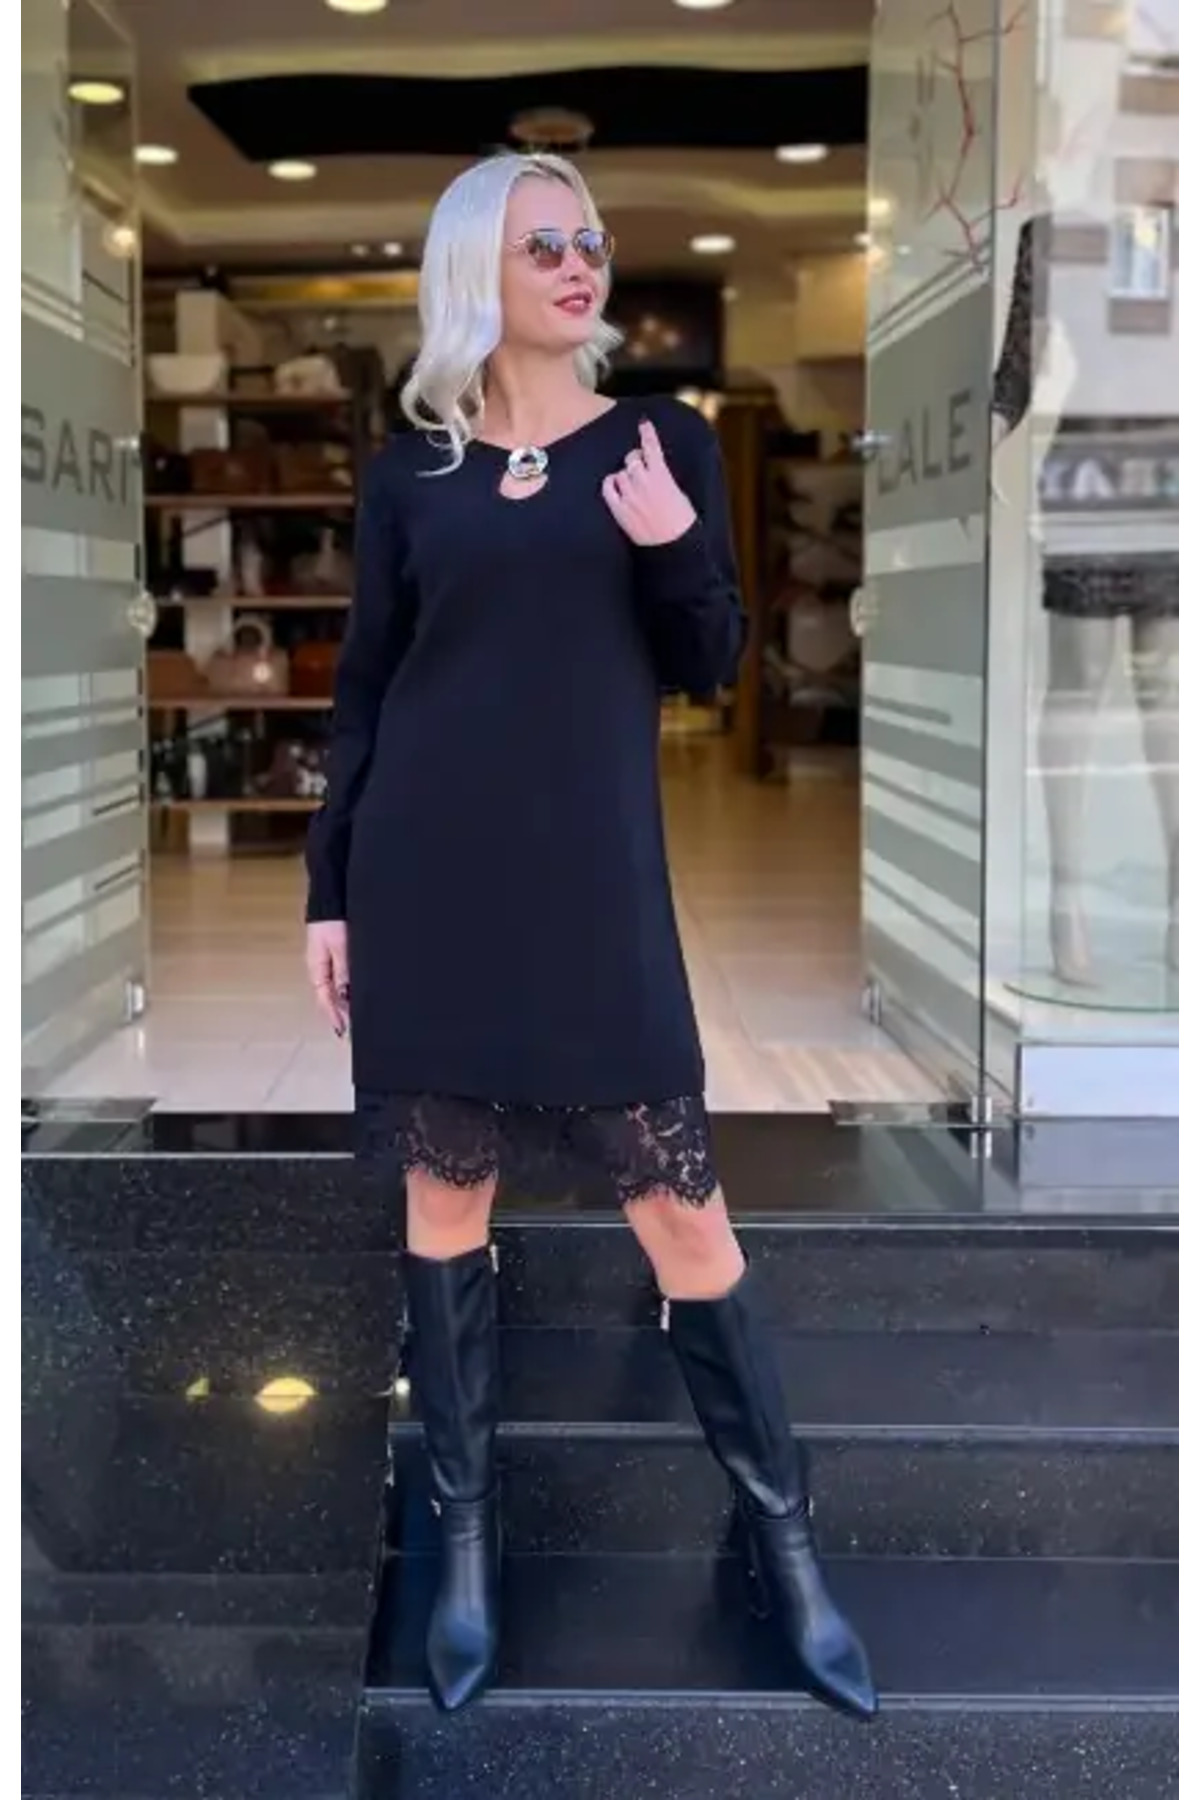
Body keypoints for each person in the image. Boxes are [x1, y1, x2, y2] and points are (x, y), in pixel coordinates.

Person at [304, 151, 876, 1721]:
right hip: (427, 877)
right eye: (542, 242)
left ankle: (784, 1540)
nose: (579, 263)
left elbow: (708, 658)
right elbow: (366, 691)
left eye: (589, 241)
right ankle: (465, 1545)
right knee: (446, 1196)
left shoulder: (657, 438)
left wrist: (672, 534)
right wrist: (331, 888)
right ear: (474, 274)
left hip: (591, 884)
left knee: (683, 1211)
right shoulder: (410, 472)